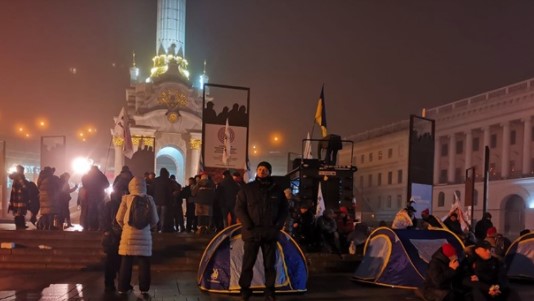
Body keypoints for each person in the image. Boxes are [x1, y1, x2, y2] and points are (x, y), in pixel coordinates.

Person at [235, 161, 288, 301]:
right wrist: (248, 225)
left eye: (265, 169)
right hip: (252, 233)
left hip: (270, 233)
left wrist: (277, 226)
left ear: (269, 172)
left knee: (270, 265)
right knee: (248, 264)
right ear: (256, 171)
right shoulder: (247, 189)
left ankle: (270, 290)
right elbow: (239, 208)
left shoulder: (277, 190)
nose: (262, 171)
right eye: (259, 169)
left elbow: (284, 209)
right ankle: (245, 289)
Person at [116, 176, 158, 294]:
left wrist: (125, 227)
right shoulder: (149, 199)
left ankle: (123, 287)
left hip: (128, 235)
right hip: (144, 235)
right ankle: (144, 288)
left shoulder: (126, 199)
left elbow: (119, 218)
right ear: (144, 187)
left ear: (131, 187)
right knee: (144, 263)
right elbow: (155, 219)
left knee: (126, 262)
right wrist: (148, 227)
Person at [8, 165, 30, 229]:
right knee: (20, 212)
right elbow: (24, 186)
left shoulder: (15, 177)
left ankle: (18, 225)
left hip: (15, 198)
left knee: (17, 212)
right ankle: (21, 225)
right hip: (20, 197)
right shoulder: (20, 177)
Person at [153, 168, 173, 232]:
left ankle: (156, 228)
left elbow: (151, 190)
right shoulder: (168, 180)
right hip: (165, 201)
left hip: (156, 201)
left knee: (156, 215)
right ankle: (162, 228)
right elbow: (170, 191)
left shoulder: (156, 180)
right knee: (163, 216)